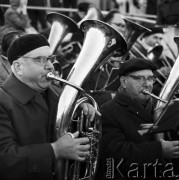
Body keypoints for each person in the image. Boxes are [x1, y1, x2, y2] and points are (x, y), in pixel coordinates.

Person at [0, 33, 100, 180]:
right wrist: (55, 150)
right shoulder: (3, 100)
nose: (50, 66)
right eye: (40, 60)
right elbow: (5, 160)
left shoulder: (58, 92)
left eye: (50, 59)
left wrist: (81, 112)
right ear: (18, 67)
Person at [95, 58, 179, 179]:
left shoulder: (159, 106)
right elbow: (113, 154)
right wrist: (159, 150)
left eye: (150, 78)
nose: (147, 84)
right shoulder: (108, 110)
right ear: (123, 82)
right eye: (139, 78)